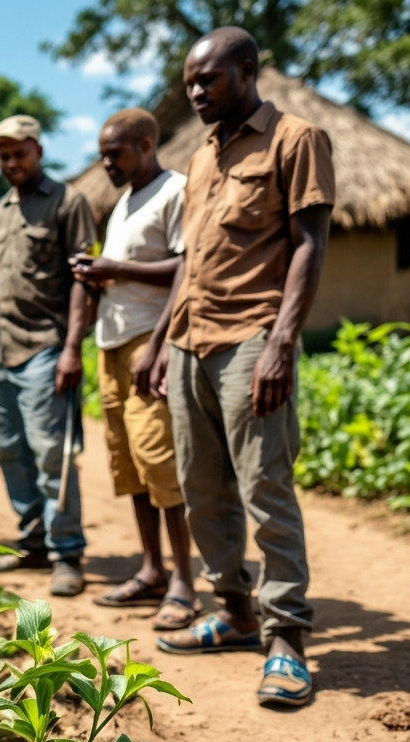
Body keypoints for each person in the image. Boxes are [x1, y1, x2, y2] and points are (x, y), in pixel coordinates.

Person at [140, 28, 333, 707]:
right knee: (201, 489)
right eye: (189, 82)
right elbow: (190, 259)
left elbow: (309, 244)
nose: (194, 92)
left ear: (246, 72)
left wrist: (282, 340)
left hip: (253, 336)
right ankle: (234, 609)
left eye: (208, 80)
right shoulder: (198, 159)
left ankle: (286, 636)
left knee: (264, 487)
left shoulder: (295, 140)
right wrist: (161, 340)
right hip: (191, 340)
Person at [69, 109, 198, 630]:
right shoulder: (123, 203)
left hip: (149, 344)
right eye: (102, 154)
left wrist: (160, 343)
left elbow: (189, 268)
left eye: (114, 153)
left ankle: (185, 583)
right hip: (113, 347)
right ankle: (151, 569)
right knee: (131, 468)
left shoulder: (176, 192)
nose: (105, 163)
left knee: (161, 466)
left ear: (146, 145)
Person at [0, 116, 97, 596]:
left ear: (38, 151)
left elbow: (84, 280)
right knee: (12, 452)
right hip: (3, 351)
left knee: (52, 454)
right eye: (2, 155)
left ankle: (67, 553)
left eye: (18, 153)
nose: (10, 162)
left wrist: (71, 349)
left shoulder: (69, 202)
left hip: (47, 346)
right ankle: (34, 543)